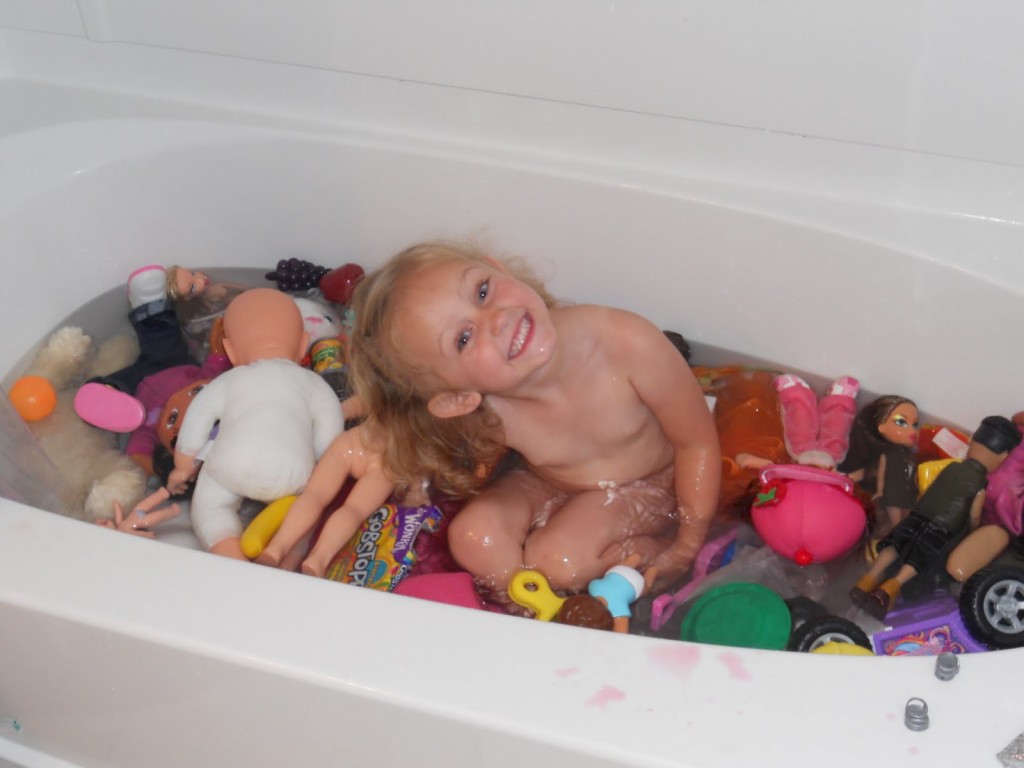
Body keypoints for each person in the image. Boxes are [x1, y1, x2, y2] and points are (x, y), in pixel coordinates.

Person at [348, 240, 721, 599]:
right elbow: (425, 434)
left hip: (647, 480)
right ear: (458, 398)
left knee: (558, 562)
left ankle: (642, 556)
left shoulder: (626, 343)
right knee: (473, 537)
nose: (496, 319)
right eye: (463, 338)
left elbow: (698, 444)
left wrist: (687, 544)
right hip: (547, 480)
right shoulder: (485, 408)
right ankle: (533, 608)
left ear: (498, 268)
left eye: (482, 292)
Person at [166, 288, 344, 559]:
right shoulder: (314, 384)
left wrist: (182, 465)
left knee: (210, 508)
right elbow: (331, 428)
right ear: (302, 344)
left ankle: (229, 552)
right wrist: (319, 465)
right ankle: (287, 552)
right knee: (306, 508)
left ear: (230, 352)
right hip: (294, 471)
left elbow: (198, 417)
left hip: (231, 464)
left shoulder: (228, 380)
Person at [849, 414, 1022, 619]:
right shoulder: (980, 485)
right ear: (1002, 457)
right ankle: (890, 588)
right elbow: (975, 513)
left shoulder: (951, 466)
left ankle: (866, 581)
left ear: (973, 441)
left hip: (919, 515)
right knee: (918, 559)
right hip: (941, 529)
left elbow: (927, 490)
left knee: (896, 545)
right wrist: (971, 530)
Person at [838, 395, 920, 537]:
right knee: (892, 526)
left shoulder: (907, 458)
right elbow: (861, 474)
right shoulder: (882, 457)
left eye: (915, 424)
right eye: (901, 422)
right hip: (886, 500)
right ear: (881, 427)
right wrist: (840, 480)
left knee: (899, 526)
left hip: (904, 500)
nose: (912, 431)